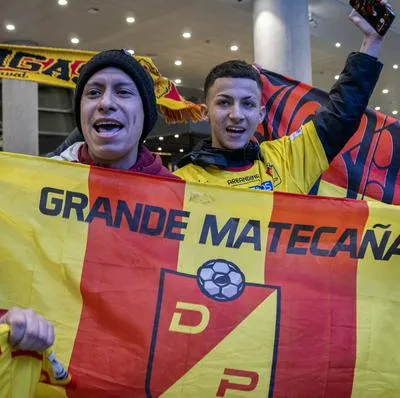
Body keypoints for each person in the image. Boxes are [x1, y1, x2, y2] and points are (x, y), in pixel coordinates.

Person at [0, 49, 177, 352]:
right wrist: (8, 319)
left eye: (123, 92)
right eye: (93, 93)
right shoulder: (33, 190)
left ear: (146, 112)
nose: (106, 103)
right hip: (51, 369)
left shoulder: (180, 199)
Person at [174, 4, 389, 193]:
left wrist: (372, 43)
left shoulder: (287, 160)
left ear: (261, 114)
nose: (236, 114)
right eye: (224, 102)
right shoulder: (180, 184)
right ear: (205, 112)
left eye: (248, 104)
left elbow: (340, 115)